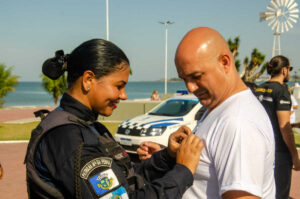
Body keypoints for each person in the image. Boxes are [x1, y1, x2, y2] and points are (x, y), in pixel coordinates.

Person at [24, 39, 204, 199]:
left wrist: (167, 156)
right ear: (88, 80)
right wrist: (184, 170)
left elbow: (124, 179)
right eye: (119, 86)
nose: (124, 95)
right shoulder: (68, 137)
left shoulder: (91, 127)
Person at [138, 27, 276, 199]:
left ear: (225, 62)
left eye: (196, 76)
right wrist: (169, 157)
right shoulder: (220, 107)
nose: (190, 87)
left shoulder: (238, 122)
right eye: (184, 79)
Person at [255, 55, 300, 199]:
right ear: (285, 70)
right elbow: (283, 126)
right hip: (279, 151)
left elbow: (268, 119)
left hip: (260, 148)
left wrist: (293, 124)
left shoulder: (259, 90)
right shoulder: (281, 91)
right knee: (280, 193)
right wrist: (294, 155)